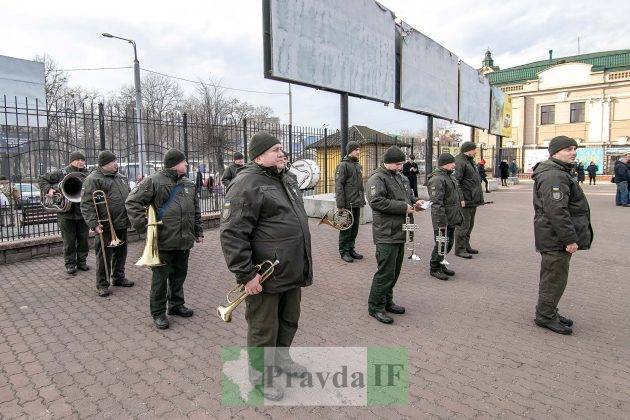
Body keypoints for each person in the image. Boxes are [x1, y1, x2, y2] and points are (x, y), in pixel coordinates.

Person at [220, 132, 312, 401]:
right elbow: (232, 233)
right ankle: (262, 378)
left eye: (282, 149)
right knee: (263, 329)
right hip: (264, 274)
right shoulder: (246, 183)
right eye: (275, 150)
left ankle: (282, 362)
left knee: (288, 321)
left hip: (291, 269)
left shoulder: (287, 179)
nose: (282, 153)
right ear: (258, 156)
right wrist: (247, 274)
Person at [126, 149, 203, 330]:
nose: (186, 165)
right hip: (163, 240)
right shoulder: (154, 181)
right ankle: (158, 312)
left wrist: (198, 230)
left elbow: (195, 210)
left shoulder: (188, 184)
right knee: (160, 279)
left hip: (184, 240)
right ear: (175, 164)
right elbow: (132, 202)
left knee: (179, 275)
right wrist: (146, 226)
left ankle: (176, 305)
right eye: (184, 162)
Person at [532, 136, 593, 335]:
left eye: (574, 148)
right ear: (555, 152)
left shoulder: (558, 172)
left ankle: (549, 311)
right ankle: (545, 316)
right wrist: (569, 239)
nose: (573, 152)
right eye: (568, 149)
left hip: (553, 236)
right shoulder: (554, 176)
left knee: (555, 277)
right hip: (555, 238)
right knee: (554, 278)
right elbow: (557, 211)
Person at [366, 146, 425, 325]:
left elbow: (408, 196)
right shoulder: (377, 179)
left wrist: (416, 201)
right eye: (398, 164)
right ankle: (375, 307)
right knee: (385, 272)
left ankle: (387, 301)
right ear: (388, 162)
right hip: (386, 232)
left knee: (394, 271)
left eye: (402, 164)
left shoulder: (400, 177)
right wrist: (403, 207)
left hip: (400, 230)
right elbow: (376, 201)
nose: (401, 167)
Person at [80, 151, 133, 297]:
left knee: (121, 253)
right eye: (112, 162)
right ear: (104, 164)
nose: (116, 164)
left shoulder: (121, 177)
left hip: (121, 221)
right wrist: (94, 224)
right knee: (104, 256)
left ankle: (118, 277)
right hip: (105, 225)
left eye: (115, 161)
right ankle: (103, 284)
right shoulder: (93, 179)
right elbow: (86, 204)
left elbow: (129, 196)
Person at [38, 151, 90, 275]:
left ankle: (82, 262)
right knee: (69, 240)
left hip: (83, 212)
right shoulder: (61, 173)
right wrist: (48, 189)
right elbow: (42, 178)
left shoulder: (87, 174)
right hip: (66, 213)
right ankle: (70, 264)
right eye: (78, 160)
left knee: (84, 239)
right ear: (71, 161)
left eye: (82, 160)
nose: (81, 162)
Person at [427, 153, 463, 280]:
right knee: (442, 244)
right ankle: (434, 268)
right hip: (442, 219)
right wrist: (441, 222)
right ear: (445, 164)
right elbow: (437, 203)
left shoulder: (449, 176)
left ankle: (441, 264)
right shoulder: (437, 179)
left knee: (448, 244)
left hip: (451, 217)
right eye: (452, 162)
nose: (454, 164)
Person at [334, 141, 366, 263]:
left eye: (359, 149)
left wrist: (361, 200)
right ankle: (344, 252)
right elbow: (339, 186)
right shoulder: (343, 165)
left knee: (355, 228)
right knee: (346, 228)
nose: (358, 152)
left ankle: (351, 249)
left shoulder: (357, 166)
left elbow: (359, 186)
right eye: (356, 150)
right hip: (347, 204)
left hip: (356, 202)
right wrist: (340, 205)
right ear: (350, 151)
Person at [454, 142, 484, 259]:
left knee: (470, 225)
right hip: (465, 200)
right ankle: (460, 249)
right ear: (468, 150)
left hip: (472, 200)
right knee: (463, 225)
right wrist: (461, 199)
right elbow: (456, 182)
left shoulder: (469, 160)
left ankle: (466, 245)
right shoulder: (460, 161)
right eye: (474, 150)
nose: (475, 152)